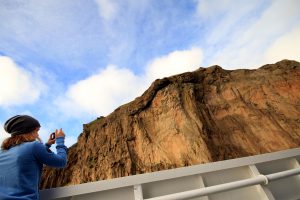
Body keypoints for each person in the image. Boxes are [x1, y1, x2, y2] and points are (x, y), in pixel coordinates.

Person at [0, 115, 68, 200]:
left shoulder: (2, 152)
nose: (37, 135)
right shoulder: (34, 146)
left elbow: (27, 157)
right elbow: (61, 162)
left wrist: (47, 145)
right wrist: (60, 141)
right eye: (36, 131)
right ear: (28, 131)